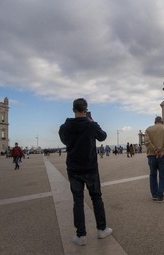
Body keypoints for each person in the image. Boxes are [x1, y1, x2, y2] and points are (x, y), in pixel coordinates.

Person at [58, 98, 112, 246]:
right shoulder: (91, 125)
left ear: (73, 109)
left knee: (78, 200)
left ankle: (81, 236)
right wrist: (93, 121)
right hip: (90, 167)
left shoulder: (65, 126)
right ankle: (101, 229)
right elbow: (103, 136)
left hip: (74, 168)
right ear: (86, 109)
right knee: (96, 198)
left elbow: (65, 141)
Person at [145, 116, 164, 202]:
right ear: (162, 121)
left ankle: (154, 194)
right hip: (163, 155)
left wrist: (155, 150)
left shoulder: (148, 130)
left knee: (153, 175)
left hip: (152, 155)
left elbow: (147, 142)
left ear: (154, 122)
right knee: (162, 175)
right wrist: (162, 150)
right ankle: (160, 195)